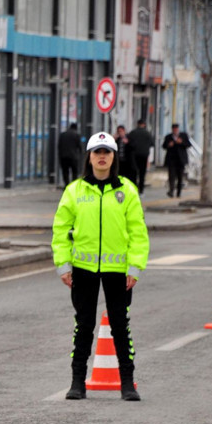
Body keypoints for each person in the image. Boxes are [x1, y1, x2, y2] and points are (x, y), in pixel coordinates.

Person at [51, 131, 149, 402]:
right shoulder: (75, 191)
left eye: (107, 152)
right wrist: (63, 265)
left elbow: (138, 232)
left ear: (114, 156)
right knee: (83, 325)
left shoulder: (127, 191)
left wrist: (135, 268)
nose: (102, 157)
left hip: (118, 271)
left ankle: (127, 383)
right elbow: (61, 230)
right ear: (89, 157)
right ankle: (77, 382)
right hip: (83, 268)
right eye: (97, 152)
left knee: (120, 325)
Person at [162, 123, 191, 198]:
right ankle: (171, 191)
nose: (175, 130)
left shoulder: (183, 135)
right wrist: (169, 145)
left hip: (181, 160)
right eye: (174, 129)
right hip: (171, 160)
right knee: (171, 176)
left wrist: (181, 142)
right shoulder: (168, 137)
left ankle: (179, 192)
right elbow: (164, 146)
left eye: (176, 129)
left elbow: (188, 145)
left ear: (178, 129)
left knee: (180, 176)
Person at [126, 119, 155, 195]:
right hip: (144, 155)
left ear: (137, 124)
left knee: (134, 173)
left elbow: (128, 143)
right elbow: (152, 143)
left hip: (134, 155)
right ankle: (141, 190)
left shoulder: (133, 133)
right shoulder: (147, 133)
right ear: (144, 124)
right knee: (142, 173)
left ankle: (134, 189)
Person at [58, 122, 82, 187]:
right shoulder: (76, 135)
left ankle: (66, 185)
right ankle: (73, 186)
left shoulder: (62, 135)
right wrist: (80, 154)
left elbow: (59, 146)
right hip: (73, 157)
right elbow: (79, 146)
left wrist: (60, 156)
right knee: (74, 171)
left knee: (65, 171)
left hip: (64, 156)